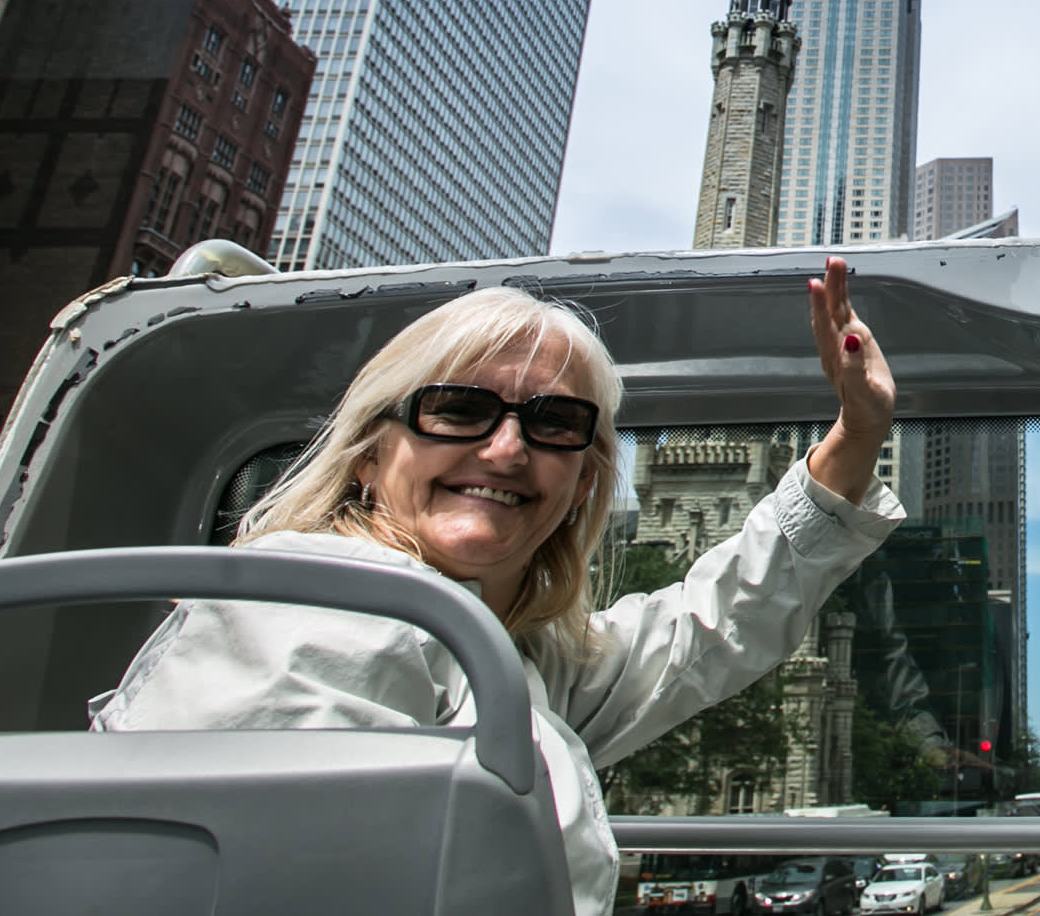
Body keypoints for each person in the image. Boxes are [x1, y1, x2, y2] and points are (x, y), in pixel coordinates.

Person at [90, 265, 902, 916]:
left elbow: (703, 628)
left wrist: (857, 432)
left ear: (583, 481)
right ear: (370, 453)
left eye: (553, 422)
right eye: (458, 409)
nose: (507, 448)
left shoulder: (507, 655)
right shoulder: (310, 612)